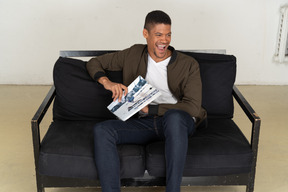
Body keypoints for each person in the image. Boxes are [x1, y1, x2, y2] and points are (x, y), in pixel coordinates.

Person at [86, 10, 207, 192]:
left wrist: (150, 109)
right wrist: (107, 82)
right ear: (146, 34)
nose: (164, 41)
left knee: (174, 117)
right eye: (158, 35)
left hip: (178, 123)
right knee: (102, 130)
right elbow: (94, 62)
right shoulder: (133, 53)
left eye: (168, 35)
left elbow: (192, 106)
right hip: (146, 123)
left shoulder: (188, 64)